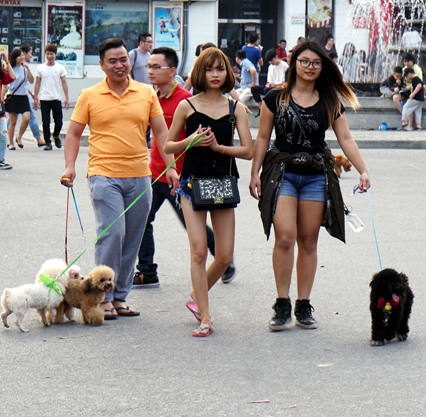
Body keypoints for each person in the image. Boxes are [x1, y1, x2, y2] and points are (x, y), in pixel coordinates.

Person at [249, 40, 370, 332]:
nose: (310, 67)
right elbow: (263, 138)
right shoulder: (275, 98)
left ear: (322, 66)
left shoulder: (329, 101)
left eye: (316, 62)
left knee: (308, 240)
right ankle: (282, 303)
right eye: (304, 61)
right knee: (285, 237)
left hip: (316, 175)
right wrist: (254, 173)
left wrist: (364, 170)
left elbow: (346, 139)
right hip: (283, 173)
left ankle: (303, 304)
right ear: (294, 63)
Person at [60, 38, 178, 320]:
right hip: (103, 175)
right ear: (101, 65)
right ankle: (103, 297)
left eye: (123, 59)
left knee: (133, 238)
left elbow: (161, 133)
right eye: (112, 61)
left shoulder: (146, 93)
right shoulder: (90, 95)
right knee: (112, 233)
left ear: (131, 60)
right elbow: (74, 133)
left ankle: (121, 296)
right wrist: (69, 167)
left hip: (140, 175)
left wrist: (171, 167)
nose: (119, 65)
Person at [163, 47, 253, 337]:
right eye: (209, 69)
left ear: (228, 73)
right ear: (200, 73)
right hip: (192, 185)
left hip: (223, 184)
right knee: (200, 251)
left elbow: (249, 151)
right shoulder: (186, 106)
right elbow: (167, 146)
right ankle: (205, 315)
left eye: (221, 69)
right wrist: (190, 141)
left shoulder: (234, 107)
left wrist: (217, 148)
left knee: (224, 256)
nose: (215, 75)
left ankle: (196, 294)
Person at [133, 46, 236, 289]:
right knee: (141, 220)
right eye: (148, 66)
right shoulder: (152, 98)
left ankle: (224, 260)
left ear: (171, 71)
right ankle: (147, 271)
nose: (150, 71)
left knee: (192, 228)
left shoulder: (185, 101)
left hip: (181, 176)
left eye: (155, 66)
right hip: (154, 172)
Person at [34, 44, 69, 151]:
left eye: (52, 54)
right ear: (45, 55)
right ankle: (48, 142)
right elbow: (37, 83)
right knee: (46, 122)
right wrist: (35, 98)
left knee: (59, 121)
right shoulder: (40, 68)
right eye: (48, 54)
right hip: (44, 98)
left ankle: (56, 136)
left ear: (56, 55)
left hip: (56, 98)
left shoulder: (60, 68)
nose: (49, 56)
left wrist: (67, 98)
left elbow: (64, 82)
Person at [5, 48, 34, 150]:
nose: (22, 57)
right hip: (13, 96)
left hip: (23, 96)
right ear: (14, 58)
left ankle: (19, 137)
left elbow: (31, 81)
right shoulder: (9, 68)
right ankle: (11, 142)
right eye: (19, 56)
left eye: (22, 55)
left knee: (26, 118)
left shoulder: (25, 68)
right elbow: (5, 84)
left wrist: (28, 68)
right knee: (13, 122)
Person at [129, 32, 153, 146]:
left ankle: (146, 139)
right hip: (136, 91)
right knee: (137, 116)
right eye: (149, 42)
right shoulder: (133, 54)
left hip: (149, 91)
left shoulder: (150, 56)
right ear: (141, 43)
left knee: (148, 116)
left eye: (152, 42)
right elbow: (127, 72)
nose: (151, 44)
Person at [19, 44, 46, 147]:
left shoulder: (24, 65)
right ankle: (38, 138)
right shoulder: (20, 66)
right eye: (30, 53)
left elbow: (25, 84)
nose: (31, 55)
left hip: (24, 95)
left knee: (16, 119)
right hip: (19, 96)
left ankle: (10, 138)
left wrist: (32, 94)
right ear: (24, 53)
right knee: (29, 117)